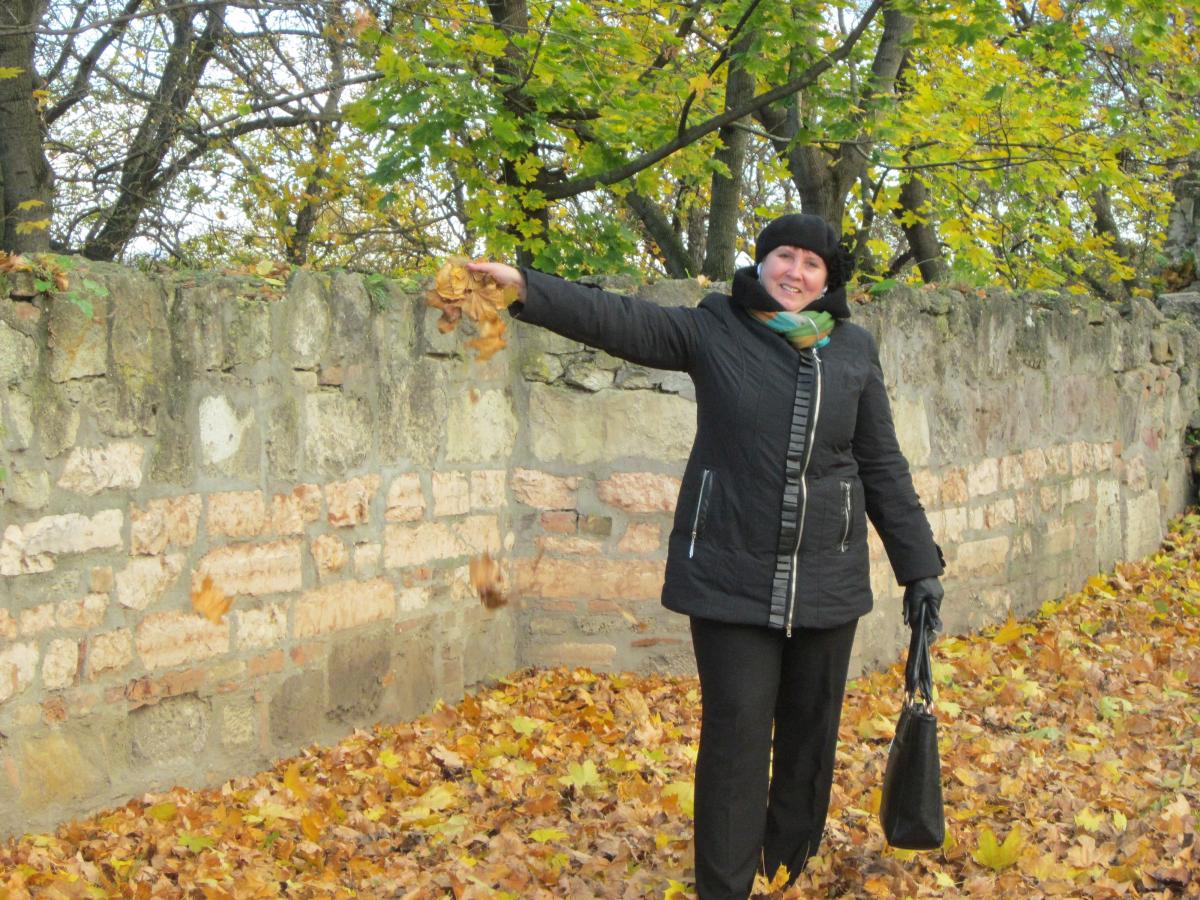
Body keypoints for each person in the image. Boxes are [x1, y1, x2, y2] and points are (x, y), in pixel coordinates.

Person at [468, 213, 944, 899]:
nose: (795, 272)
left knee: (811, 741)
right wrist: (525, 286)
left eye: (812, 263)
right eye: (784, 256)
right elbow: (621, 321)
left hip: (826, 579)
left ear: (827, 278)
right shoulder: (716, 327)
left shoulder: (852, 350)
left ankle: (786, 868)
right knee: (735, 739)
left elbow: (881, 464)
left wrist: (919, 567)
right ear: (762, 261)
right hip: (728, 574)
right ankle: (726, 886)